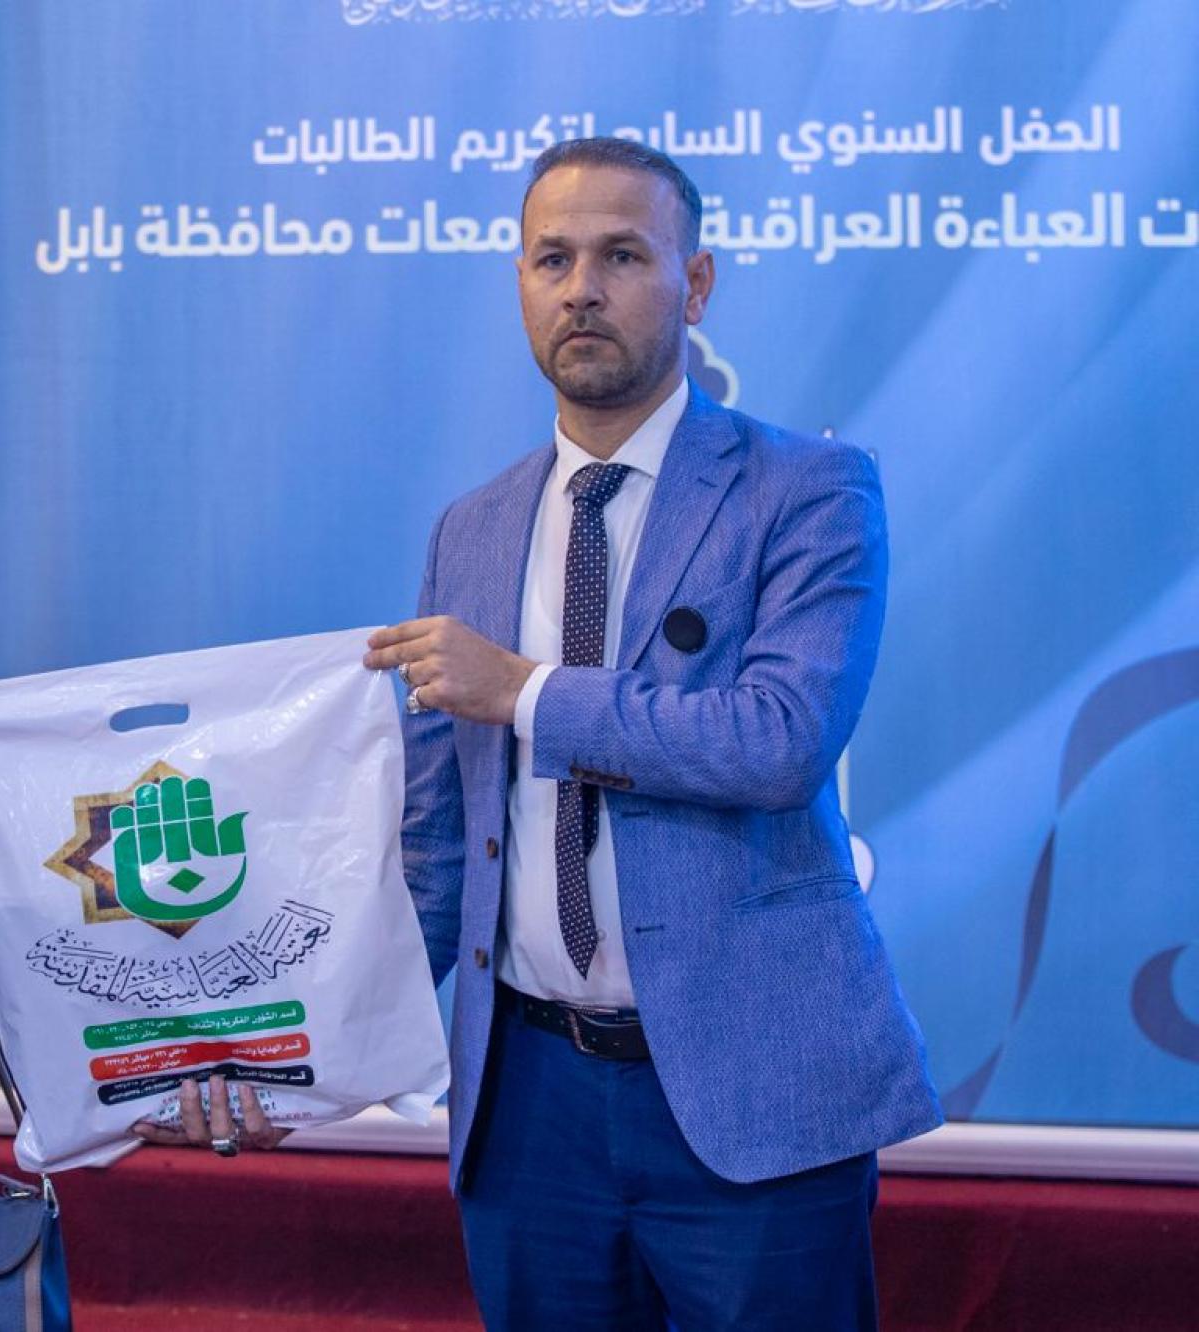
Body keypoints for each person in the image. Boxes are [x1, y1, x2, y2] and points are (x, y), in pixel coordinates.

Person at [362, 139, 940, 1330]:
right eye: (551, 259)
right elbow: (436, 846)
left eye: (621, 256)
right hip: (526, 1106)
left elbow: (778, 739)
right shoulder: (468, 531)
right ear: (520, 285)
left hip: (753, 1088)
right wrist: (301, 1044)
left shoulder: (807, 490)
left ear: (696, 283)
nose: (581, 288)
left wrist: (523, 692)